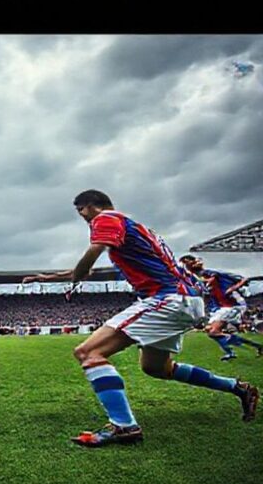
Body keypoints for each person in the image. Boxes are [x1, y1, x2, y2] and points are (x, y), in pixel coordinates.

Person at [22, 190, 258, 447]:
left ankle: (124, 426)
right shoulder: (134, 229)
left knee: (88, 352)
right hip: (185, 299)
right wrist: (47, 279)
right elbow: (90, 269)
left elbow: (91, 255)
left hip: (167, 298)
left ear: (89, 206)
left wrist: (76, 279)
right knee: (156, 367)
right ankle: (239, 387)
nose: (82, 217)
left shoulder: (106, 219)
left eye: (80, 211)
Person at [179, 255, 262, 361]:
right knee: (210, 330)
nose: (187, 264)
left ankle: (236, 351)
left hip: (231, 305)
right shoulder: (197, 280)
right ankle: (254, 347)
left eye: (189, 261)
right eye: (185, 263)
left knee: (214, 332)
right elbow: (204, 294)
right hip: (219, 308)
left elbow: (244, 280)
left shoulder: (214, 273)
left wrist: (232, 289)